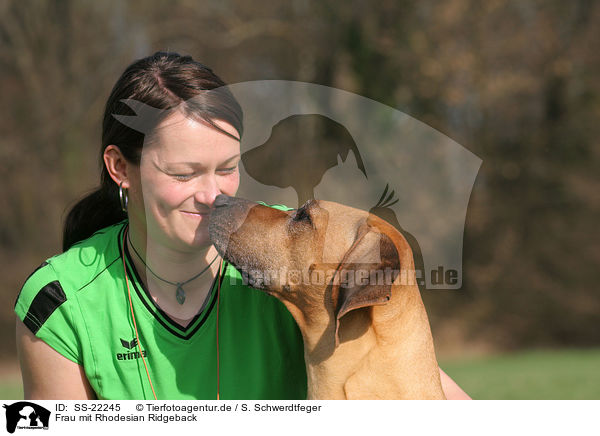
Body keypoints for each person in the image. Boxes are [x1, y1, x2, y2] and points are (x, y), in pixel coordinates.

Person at [15, 51, 470, 400]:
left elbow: (422, 391)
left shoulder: (292, 257)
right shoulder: (60, 301)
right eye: (184, 173)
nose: (214, 195)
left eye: (227, 167)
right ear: (120, 167)